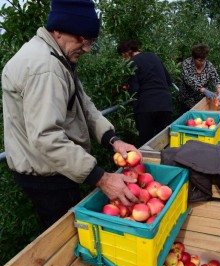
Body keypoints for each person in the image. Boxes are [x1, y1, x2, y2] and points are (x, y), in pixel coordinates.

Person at [2, 0, 141, 229]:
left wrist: (113, 140)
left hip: (57, 167)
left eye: (90, 41)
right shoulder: (45, 67)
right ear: (58, 30)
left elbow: (84, 105)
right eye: (82, 39)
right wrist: (102, 178)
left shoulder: (57, 58)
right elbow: (46, 137)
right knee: (66, 236)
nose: (86, 48)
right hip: (47, 176)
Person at [117, 40, 173, 147]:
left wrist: (125, 88)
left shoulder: (131, 63)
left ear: (126, 52)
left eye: (123, 56)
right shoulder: (154, 56)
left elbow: (134, 89)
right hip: (165, 103)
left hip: (146, 106)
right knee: (166, 142)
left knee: (146, 143)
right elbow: (169, 81)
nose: (124, 59)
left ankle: (147, 163)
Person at [179, 44, 220, 114]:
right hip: (187, 100)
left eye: (204, 60)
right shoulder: (187, 64)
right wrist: (203, 90)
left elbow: (215, 79)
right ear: (193, 58)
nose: (202, 62)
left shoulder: (209, 65)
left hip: (202, 100)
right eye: (200, 60)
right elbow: (189, 80)